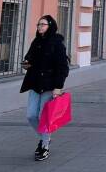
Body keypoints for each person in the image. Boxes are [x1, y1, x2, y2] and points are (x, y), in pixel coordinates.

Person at [20, 15, 69, 162]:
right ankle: (45, 137)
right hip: (35, 84)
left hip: (49, 85)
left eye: (43, 24)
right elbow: (28, 57)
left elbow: (62, 67)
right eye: (38, 24)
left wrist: (58, 87)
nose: (39, 27)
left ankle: (45, 146)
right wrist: (26, 63)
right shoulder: (36, 41)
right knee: (30, 115)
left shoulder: (57, 43)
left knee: (44, 117)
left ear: (50, 26)